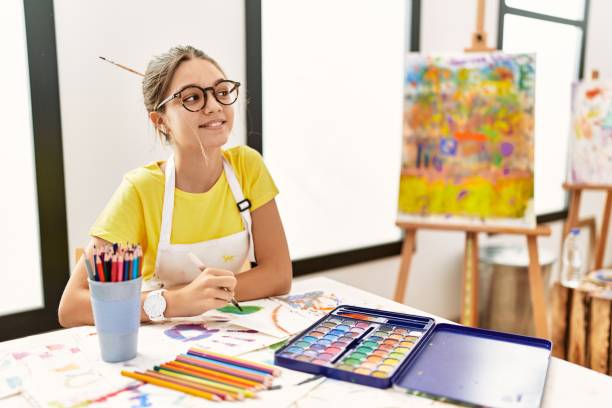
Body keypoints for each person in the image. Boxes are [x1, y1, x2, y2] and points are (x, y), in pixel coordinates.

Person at [58, 45, 292, 327]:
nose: (215, 106)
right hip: (161, 337)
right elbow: (71, 306)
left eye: (221, 92)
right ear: (161, 121)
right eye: (193, 97)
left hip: (228, 331)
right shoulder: (140, 190)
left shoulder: (247, 167)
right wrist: (175, 302)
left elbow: (279, 275)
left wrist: (204, 295)